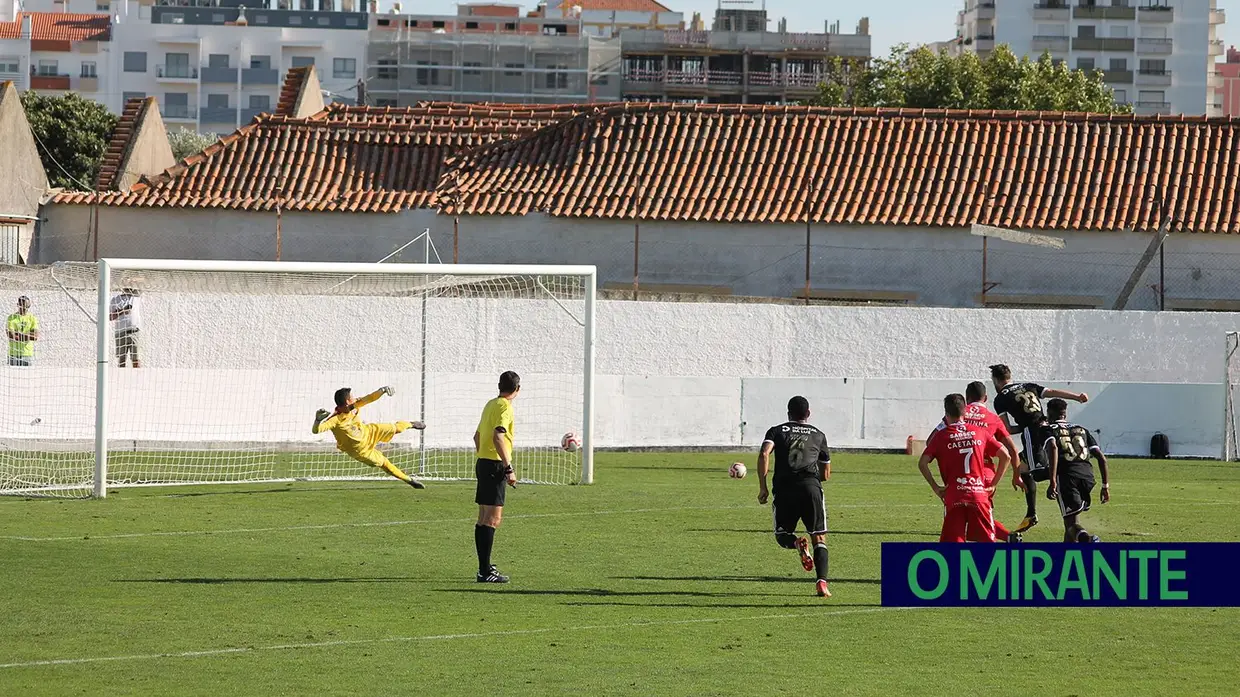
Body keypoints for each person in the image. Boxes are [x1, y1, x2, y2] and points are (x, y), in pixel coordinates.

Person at [990, 364, 1088, 533]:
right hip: (1047, 427)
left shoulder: (1000, 399)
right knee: (1022, 467)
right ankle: (1031, 514)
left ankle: (1065, 476)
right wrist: (1077, 397)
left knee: (1037, 472)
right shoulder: (1029, 386)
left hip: (1032, 433)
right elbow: (1052, 393)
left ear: (995, 381)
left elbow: (1007, 429)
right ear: (1010, 376)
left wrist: (1022, 426)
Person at [756, 396, 833, 598]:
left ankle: (797, 543)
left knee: (782, 536)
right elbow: (826, 474)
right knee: (819, 537)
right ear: (808, 414)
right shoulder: (819, 434)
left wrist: (763, 487)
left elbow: (764, 454)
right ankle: (822, 583)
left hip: (784, 488)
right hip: (810, 487)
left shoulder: (776, 430)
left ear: (788, 413)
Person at [928, 381, 1022, 542]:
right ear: (985, 398)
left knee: (959, 521)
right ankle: (1006, 538)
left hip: (962, 475)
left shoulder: (958, 413)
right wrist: (1016, 475)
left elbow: (931, 441)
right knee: (981, 516)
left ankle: (1005, 537)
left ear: (966, 398)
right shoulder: (993, 418)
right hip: (987, 475)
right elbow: (1011, 450)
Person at [312, 386, 426, 488]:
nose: (355, 398)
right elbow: (316, 431)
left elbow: (369, 398)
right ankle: (409, 480)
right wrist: (318, 420)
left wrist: (382, 390)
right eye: (352, 397)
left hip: (369, 431)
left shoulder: (355, 405)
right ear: (347, 401)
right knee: (384, 464)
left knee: (397, 428)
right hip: (360, 450)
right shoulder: (335, 419)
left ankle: (411, 424)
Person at [473, 371, 520, 584]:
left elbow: (477, 436)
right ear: (517, 390)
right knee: (492, 519)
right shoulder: (504, 407)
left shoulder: (490, 404)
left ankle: (484, 566)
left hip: (484, 463)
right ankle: (484, 572)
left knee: (483, 518)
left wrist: (484, 456)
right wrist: (508, 467)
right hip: (494, 465)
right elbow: (498, 435)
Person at [1044, 399, 1110, 543]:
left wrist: (1053, 481)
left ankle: (1088, 540)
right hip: (1088, 476)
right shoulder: (1082, 429)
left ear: (1049, 413)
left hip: (1068, 477)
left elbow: (1053, 448)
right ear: (1064, 413)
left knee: (1071, 524)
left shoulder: (1049, 429)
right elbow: (1101, 458)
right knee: (1071, 521)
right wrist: (1105, 486)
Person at [108, 287, 142, 368]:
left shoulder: (135, 297)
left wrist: (132, 281)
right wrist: (122, 311)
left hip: (134, 331)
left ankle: (137, 377)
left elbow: (142, 281)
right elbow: (110, 317)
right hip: (120, 332)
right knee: (121, 358)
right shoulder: (115, 300)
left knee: (136, 358)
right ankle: (121, 377)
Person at [6, 296, 38, 367]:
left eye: (26, 306)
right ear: (18, 305)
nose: (24, 308)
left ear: (29, 305)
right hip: (13, 354)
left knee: (27, 376)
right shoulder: (11, 318)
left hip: (27, 354)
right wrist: (28, 335)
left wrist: (18, 334)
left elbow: (35, 337)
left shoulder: (32, 318)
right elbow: (11, 336)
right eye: (22, 305)